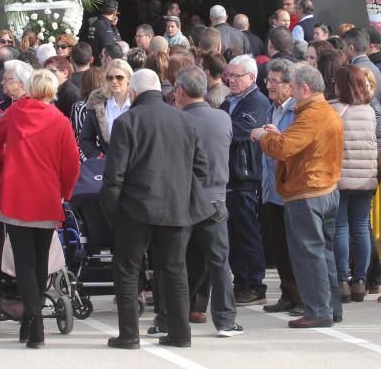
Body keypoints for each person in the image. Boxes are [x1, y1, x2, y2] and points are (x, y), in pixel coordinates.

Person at [101, 69, 212, 350]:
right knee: (175, 270)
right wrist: (181, 195)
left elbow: (115, 174)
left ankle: (129, 335)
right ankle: (180, 333)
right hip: (175, 208)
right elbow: (201, 169)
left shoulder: (127, 122)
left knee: (127, 270)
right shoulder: (185, 121)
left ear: (134, 93)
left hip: (134, 208)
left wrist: (112, 208)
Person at [0, 68, 80, 349]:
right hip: (46, 196)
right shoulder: (60, 120)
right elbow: (72, 162)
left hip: (15, 195)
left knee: (24, 262)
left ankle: (33, 320)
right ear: (52, 91)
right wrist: (64, 191)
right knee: (40, 262)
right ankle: (34, 317)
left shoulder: (14, 113)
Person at [253, 65, 344, 328]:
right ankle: (329, 307)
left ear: (305, 89)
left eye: (292, 87)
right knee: (323, 252)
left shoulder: (311, 115)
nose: (289, 91)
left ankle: (318, 310)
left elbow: (283, 148)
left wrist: (264, 137)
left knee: (309, 253)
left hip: (307, 191)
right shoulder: (325, 111)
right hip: (325, 188)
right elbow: (299, 144)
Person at [171, 66, 243, 337]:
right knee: (219, 262)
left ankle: (167, 319)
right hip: (216, 197)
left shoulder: (177, 120)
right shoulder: (222, 118)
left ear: (179, 91)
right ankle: (225, 320)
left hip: (184, 199)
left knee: (174, 261)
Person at [220, 55, 271, 305]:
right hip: (228, 176)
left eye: (237, 76)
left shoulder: (257, 102)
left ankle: (253, 283)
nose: (232, 80)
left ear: (251, 77)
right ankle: (240, 281)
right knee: (233, 233)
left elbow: (237, 132)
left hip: (246, 176)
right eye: (230, 75)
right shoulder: (229, 101)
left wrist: (221, 130)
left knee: (247, 232)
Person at [330, 65, 381, 304]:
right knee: (361, 227)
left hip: (340, 177)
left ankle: (342, 280)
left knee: (340, 227)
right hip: (366, 177)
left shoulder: (335, 109)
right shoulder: (370, 111)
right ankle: (360, 281)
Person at [259, 58, 301, 313]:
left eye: (275, 81)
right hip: (270, 188)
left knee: (295, 247)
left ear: (289, 85)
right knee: (279, 248)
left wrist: (275, 136)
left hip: (290, 189)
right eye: (268, 80)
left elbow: (293, 146)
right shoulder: (271, 107)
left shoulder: (297, 110)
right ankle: (287, 294)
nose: (270, 86)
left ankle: (301, 296)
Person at [78, 59, 133, 159]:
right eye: (110, 78)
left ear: (129, 78)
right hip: (108, 167)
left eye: (119, 77)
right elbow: (85, 139)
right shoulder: (98, 102)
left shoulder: (138, 102)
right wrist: (100, 157)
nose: (114, 81)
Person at [341, 28, 381, 99]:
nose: (343, 49)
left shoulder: (352, 71)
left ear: (351, 48)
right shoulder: (376, 69)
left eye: (344, 45)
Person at [45, 55, 80, 120]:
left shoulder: (71, 93)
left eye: (52, 71)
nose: (48, 75)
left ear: (65, 73)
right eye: (46, 72)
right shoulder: (55, 90)